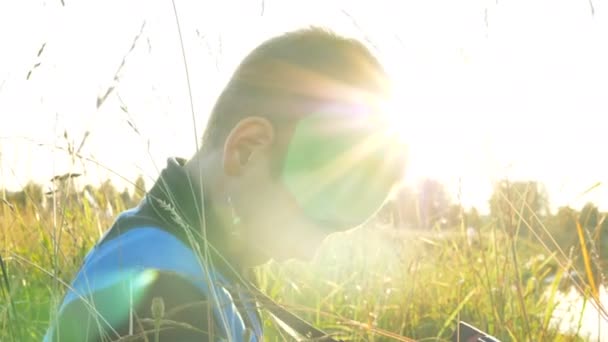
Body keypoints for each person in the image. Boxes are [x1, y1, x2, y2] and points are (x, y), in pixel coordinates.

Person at [45, 26, 406, 341]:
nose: (310, 252)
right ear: (247, 151)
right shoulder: (166, 292)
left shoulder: (202, 252)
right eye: (318, 221)